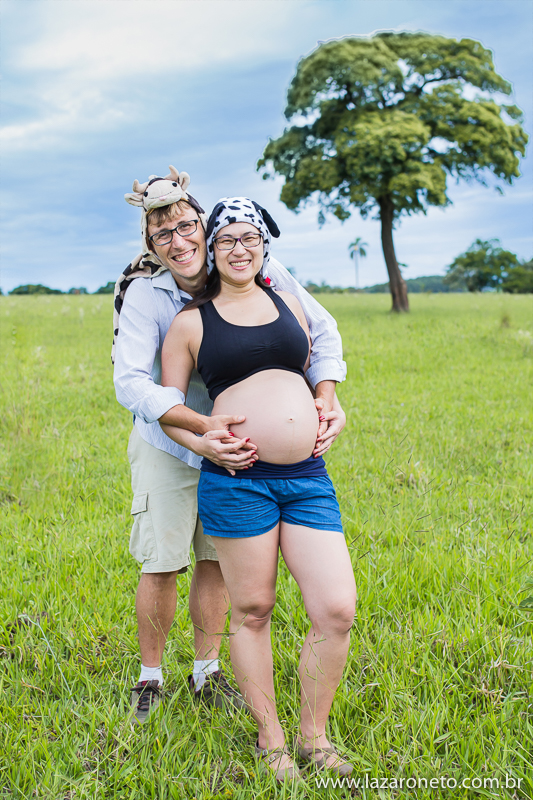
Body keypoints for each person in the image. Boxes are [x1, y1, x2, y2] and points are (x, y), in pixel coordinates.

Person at [113, 168, 347, 723]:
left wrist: (327, 395)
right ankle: (151, 677)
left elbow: (323, 331)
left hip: (248, 461)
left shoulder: (255, 263)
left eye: (187, 226)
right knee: (164, 559)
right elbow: (132, 383)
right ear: (150, 245)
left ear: (204, 224)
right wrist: (200, 429)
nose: (180, 241)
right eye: (163, 234)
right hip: (170, 440)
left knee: (216, 560)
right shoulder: (149, 294)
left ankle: (207, 669)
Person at [160, 197, 356, 781]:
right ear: (212, 252)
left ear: (264, 246)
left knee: (337, 609)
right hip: (237, 482)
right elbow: (168, 408)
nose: (239, 248)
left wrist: (329, 400)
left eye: (250, 238)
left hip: (306, 479)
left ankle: (313, 737)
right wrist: (204, 444)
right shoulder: (191, 322)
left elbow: (319, 360)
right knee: (252, 609)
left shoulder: (290, 303)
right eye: (227, 240)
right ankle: (271, 740)